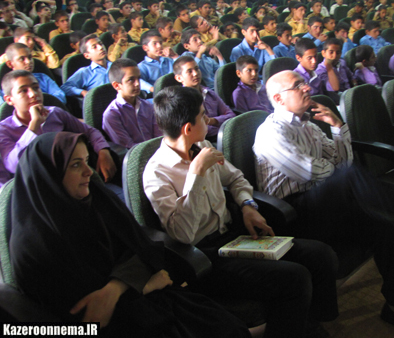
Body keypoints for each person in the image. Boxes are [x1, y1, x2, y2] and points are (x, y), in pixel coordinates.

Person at [9, 131, 251, 338]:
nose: (88, 171)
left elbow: (141, 246)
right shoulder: (33, 244)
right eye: (75, 165)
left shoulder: (97, 201)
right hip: (116, 323)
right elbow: (81, 320)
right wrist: (142, 286)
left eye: (86, 161)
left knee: (227, 327)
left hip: (144, 298)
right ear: (49, 177)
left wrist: (118, 287)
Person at [253, 69, 394, 338]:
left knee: (383, 228)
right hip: (292, 215)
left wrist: (338, 127)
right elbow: (309, 172)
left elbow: (344, 163)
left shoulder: (310, 126)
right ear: (279, 99)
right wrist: (339, 172)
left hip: (327, 204)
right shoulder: (270, 132)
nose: (307, 88)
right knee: (348, 177)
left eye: (305, 82)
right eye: (298, 85)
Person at [143, 86, 339, 338]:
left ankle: (310, 325)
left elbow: (236, 179)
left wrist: (247, 206)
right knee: (295, 278)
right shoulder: (157, 173)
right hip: (204, 256)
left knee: (321, 255)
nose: (207, 119)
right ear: (187, 129)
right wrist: (196, 175)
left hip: (233, 236)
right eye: (203, 116)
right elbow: (181, 234)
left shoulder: (201, 145)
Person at [0, 70, 116, 182]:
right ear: (9, 99)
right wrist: (34, 126)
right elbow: (13, 166)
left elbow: (90, 131)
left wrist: (103, 151)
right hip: (40, 184)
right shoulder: (4, 129)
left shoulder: (55, 113)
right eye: (23, 91)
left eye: (36, 88)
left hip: (73, 176)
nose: (33, 94)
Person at [173, 56, 234, 141]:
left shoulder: (209, 92)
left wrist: (211, 121)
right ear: (179, 78)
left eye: (197, 69)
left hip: (223, 133)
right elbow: (190, 132)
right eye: (189, 71)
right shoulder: (180, 101)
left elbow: (231, 115)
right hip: (203, 141)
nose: (195, 73)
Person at [103, 59, 161, 148]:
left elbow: (159, 136)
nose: (137, 84)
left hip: (157, 151)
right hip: (136, 158)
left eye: (138, 78)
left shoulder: (148, 106)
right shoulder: (112, 114)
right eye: (131, 80)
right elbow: (127, 146)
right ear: (116, 85)